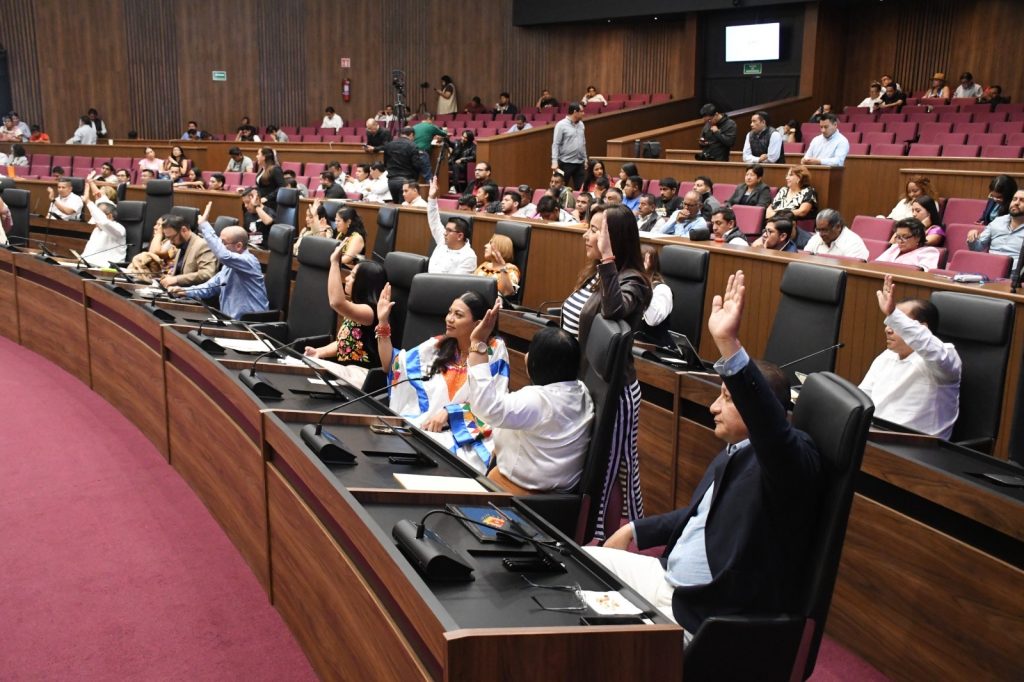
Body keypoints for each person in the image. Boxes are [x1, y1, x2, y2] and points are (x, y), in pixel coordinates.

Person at [586, 270, 824, 636]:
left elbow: (771, 430)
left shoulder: (789, 460)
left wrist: (729, 345)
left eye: (727, 399)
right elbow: (703, 515)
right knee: (577, 565)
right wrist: (634, 529)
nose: (713, 407)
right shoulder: (735, 449)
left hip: (700, 614)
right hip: (667, 579)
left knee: (594, 635)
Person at [560, 204, 652, 538]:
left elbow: (615, 310)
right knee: (597, 465)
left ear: (615, 239)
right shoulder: (597, 273)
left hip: (617, 391)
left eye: (596, 230)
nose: (588, 235)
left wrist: (608, 259)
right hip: (590, 382)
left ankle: (614, 537)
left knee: (613, 467)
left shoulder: (634, 281)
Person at [377, 287, 509, 472]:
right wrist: (383, 321)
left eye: (458, 315)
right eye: (449, 312)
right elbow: (392, 365)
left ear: (478, 324)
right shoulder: (438, 345)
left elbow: (494, 402)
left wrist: (451, 412)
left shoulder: (493, 349)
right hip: (427, 427)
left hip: (467, 437)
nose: (449, 319)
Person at [467, 310, 594, 494]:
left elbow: (486, 408)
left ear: (534, 363)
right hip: (560, 496)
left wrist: (478, 343)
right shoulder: (583, 391)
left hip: (518, 494)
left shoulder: (538, 400)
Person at [860, 275, 961, 439]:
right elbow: (862, 398)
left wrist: (893, 314)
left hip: (918, 447)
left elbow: (928, 345)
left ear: (922, 328)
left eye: (896, 323)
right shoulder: (886, 356)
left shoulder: (944, 359)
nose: (887, 329)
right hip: (874, 437)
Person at [305, 255, 386, 387]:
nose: (347, 278)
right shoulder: (355, 306)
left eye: (353, 276)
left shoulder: (370, 311)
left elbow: (336, 302)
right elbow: (345, 342)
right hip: (347, 372)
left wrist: (334, 263)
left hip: (363, 377)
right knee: (306, 367)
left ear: (364, 283)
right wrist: (319, 352)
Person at [167, 220, 269, 319]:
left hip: (250, 322)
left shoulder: (249, 261)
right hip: (231, 321)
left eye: (223, 243)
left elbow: (223, 255)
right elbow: (210, 287)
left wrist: (204, 225)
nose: (219, 246)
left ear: (238, 246)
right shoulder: (228, 266)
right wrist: (185, 291)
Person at [149, 212, 216, 286]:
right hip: (176, 289)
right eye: (168, 238)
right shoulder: (181, 244)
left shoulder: (202, 245)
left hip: (191, 291)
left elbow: (206, 274)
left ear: (184, 230)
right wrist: (169, 277)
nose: (171, 242)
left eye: (172, 238)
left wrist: (176, 279)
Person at [425, 177, 476, 274]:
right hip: (426, 280)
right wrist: (432, 198)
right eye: (445, 230)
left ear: (460, 236)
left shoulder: (468, 257)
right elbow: (434, 219)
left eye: (449, 230)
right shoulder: (443, 240)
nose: (445, 233)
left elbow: (455, 282)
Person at [967, 188, 1024, 271]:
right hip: (988, 268)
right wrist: (972, 237)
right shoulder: (997, 222)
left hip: (1014, 273)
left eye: (1022, 200)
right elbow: (976, 248)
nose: (1016, 203)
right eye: (1014, 199)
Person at [79, 177, 126, 266]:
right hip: (90, 265)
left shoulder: (119, 229)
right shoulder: (97, 230)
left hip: (108, 268)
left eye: (97, 216)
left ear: (110, 216)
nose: (95, 219)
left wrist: (88, 202)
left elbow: (104, 222)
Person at [637, 245, 673, 347]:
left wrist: (643, 283)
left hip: (655, 348)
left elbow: (653, 320)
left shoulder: (662, 290)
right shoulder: (631, 284)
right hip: (634, 344)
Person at [875, 218, 942, 270]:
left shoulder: (928, 252)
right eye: (898, 237)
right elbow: (876, 265)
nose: (900, 241)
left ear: (917, 237)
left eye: (905, 237)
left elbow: (925, 275)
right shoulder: (894, 247)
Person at [804, 208, 869, 260]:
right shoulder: (816, 237)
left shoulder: (854, 243)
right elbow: (804, 259)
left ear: (838, 227)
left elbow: (853, 270)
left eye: (825, 230)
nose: (821, 234)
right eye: (818, 230)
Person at [551, 103, 587, 190]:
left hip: (579, 163)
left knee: (581, 189)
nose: (583, 113)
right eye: (581, 111)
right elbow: (556, 144)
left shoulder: (581, 124)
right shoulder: (561, 125)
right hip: (565, 162)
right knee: (560, 188)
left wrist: (585, 159)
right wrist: (554, 161)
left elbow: (583, 142)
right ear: (575, 112)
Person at [381, 126, 422, 202]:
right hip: (406, 181)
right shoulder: (412, 145)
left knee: (396, 205)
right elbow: (417, 165)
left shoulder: (389, 145)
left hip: (391, 181)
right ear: (411, 134)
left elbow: (385, 163)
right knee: (404, 206)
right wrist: (415, 179)